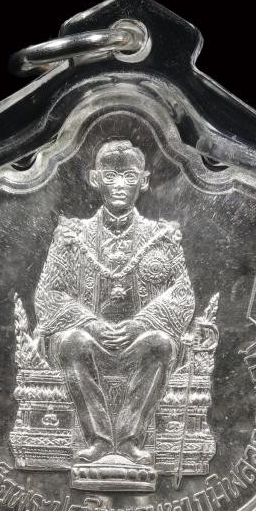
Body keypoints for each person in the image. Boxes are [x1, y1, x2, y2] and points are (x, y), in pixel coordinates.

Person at [34, 140, 195, 464]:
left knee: (161, 343)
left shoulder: (162, 237)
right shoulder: (72, 236)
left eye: (129, 176)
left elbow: (182, 295)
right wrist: (90, 323)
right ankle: (100, 440)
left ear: (144, 181)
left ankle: (130, 440)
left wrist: (140, 324)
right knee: (73, 341)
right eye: (110, 176)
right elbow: (48, 294)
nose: (120, 185)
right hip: (89, 342)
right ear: (95, 179)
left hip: (139, 342)